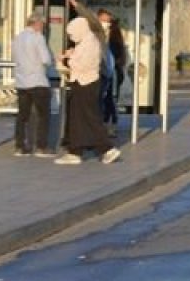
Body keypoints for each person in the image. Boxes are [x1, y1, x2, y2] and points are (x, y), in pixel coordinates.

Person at [55, 17, 120, 165]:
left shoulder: (90, 44)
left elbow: (82, 64)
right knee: (78, 118)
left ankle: (106, 149)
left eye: (72, 34)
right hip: (82, 83)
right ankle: (75, 150)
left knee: (89, 118)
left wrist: (67, 60)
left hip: (86, 84)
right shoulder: (85, 42)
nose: (71, 37)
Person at [12, 10, 56, 158]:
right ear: (37, 23)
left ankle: (20, 146)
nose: (43, 27)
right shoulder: (38, 38)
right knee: (43, 115)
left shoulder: (17, 38)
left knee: (22, 115)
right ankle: (41, 147)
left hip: (22, 81)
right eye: (42, 24)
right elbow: (46, 59)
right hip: (38, 81)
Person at [98, 10, 127, 135]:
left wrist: (118, 64)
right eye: (104, 20)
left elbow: (120, 50)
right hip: (99, 70)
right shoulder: (95, 32)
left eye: (108, 21)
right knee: (100, 98)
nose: (107, 23)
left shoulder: (114, 32)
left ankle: (110, 124)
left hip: (113, 70)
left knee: (111, 98)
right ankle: (101, 124)